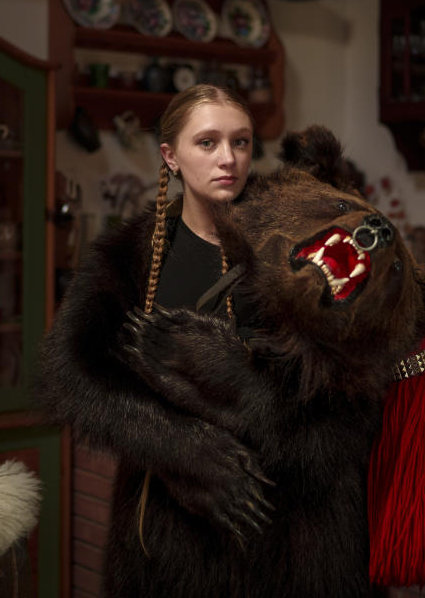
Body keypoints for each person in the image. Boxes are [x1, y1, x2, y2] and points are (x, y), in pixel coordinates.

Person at [35, 84, 272, 597]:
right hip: (162, 523)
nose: (228, 159)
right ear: (171, 156)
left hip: (275, 514)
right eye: (207, 143)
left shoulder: (284, 252)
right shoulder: (129, 257)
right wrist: (179, 448)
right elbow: (69, 377)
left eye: (242, 142)